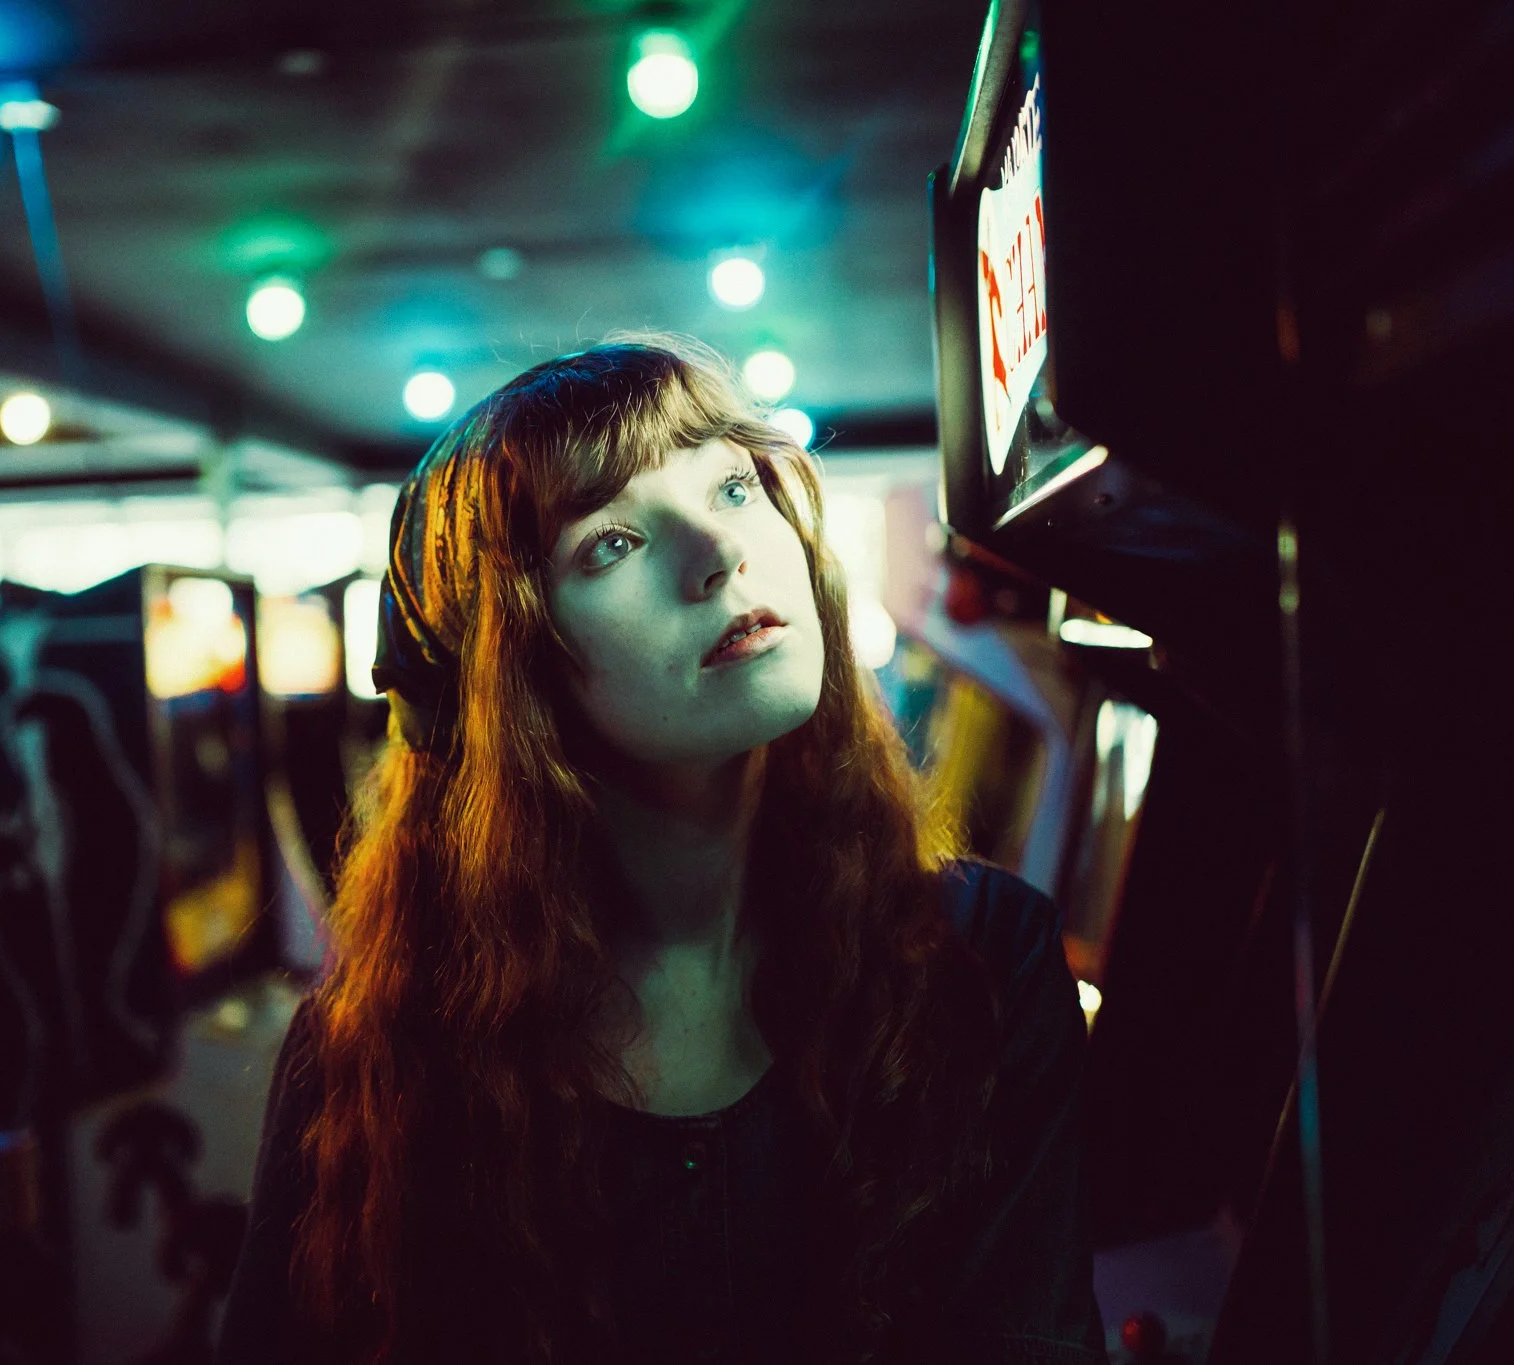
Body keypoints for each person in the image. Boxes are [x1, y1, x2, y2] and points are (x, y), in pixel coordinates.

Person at [219, 336, 1105, 1365]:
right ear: (513, 679)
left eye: (732, 484)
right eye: (610, 545)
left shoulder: (985, 961)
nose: (718, 552)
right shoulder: (375, 1049)